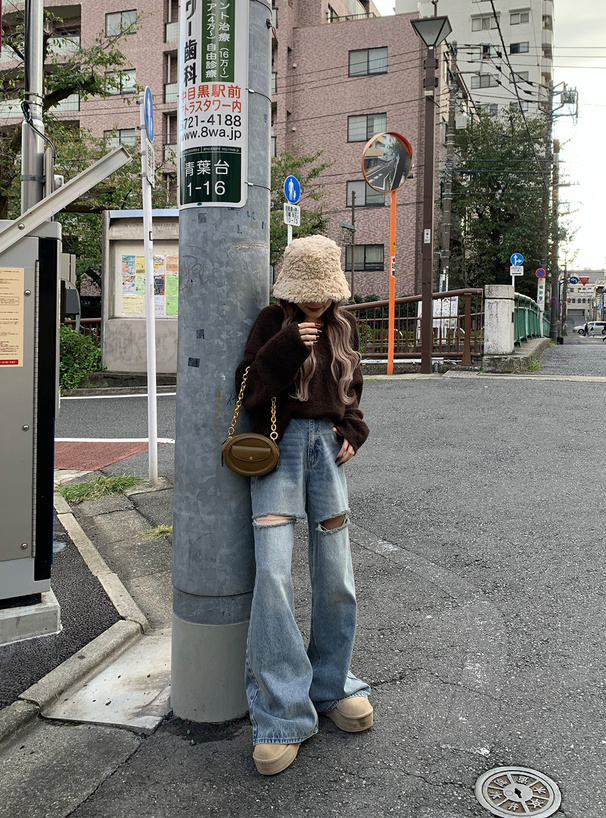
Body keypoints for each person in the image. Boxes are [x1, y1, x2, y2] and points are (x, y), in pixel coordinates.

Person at [235, 235, 372, 776]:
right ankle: (282, 714)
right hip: (280, 449)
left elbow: (353, 389)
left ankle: (332, 686)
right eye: (306, 291)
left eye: (322, 291)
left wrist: (353, 430)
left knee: (337, 575)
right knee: (273, 575)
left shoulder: (344, 324)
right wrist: (288, 344)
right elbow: (248, 390)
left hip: (327, 452)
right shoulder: (274, 321)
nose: (315, 300)